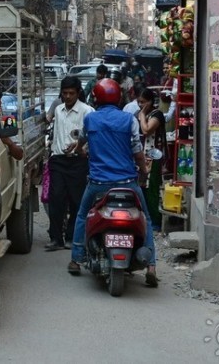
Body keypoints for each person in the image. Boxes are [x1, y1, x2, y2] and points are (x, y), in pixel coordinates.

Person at [67, 78, 157, 287]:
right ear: (118, 97)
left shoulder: (91, 119)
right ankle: (151, 265)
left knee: (81, 215)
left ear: (96, 97)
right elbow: (137, 153)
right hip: (127, 182)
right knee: (146, 218)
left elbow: (81, 142)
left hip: (98, 183)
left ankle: (76, 258)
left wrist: (82, 151)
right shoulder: (129, 120)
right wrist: (143, 173)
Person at [45, 76, 93, 251]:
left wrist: (81, 147)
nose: (67, 97)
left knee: (77, 201)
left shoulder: (88, 111)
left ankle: (72, 237)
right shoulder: (58, 110)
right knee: (56, 199)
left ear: (78, 93)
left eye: (71, 93)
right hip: (58, 159)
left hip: (78, 161)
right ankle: (55, 238)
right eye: (64, 93)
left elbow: (92, 137)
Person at [135, 88, 166, 229]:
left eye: (143, 102)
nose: (141, 105)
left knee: (151, 188)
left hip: (154, 157)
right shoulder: (138, 114)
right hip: (141, 156)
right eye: (139, 102)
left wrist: (142, 116)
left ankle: (155, 221)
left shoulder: (156, 114)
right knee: (141, 187)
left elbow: (147, 130)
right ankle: (143, 217)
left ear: (150, 102)